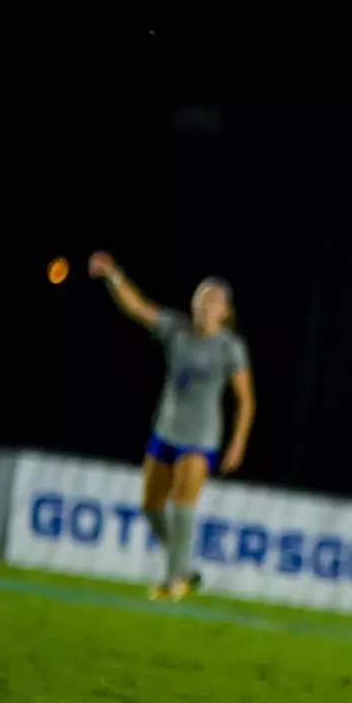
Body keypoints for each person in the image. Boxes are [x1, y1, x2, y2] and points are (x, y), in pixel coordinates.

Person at [88, 252, 256, 601]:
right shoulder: (176, 330)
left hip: (200, 438)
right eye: (200, 297)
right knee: (151, 508)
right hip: (165, 431)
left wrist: (238, 444)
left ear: (224, 311)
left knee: (182, 507)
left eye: (212, 300)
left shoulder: (230, 348)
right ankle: (185, 569)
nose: (204, 304)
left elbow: (246, 400)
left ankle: (171, 582)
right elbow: (138, 308)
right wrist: (114, 275)